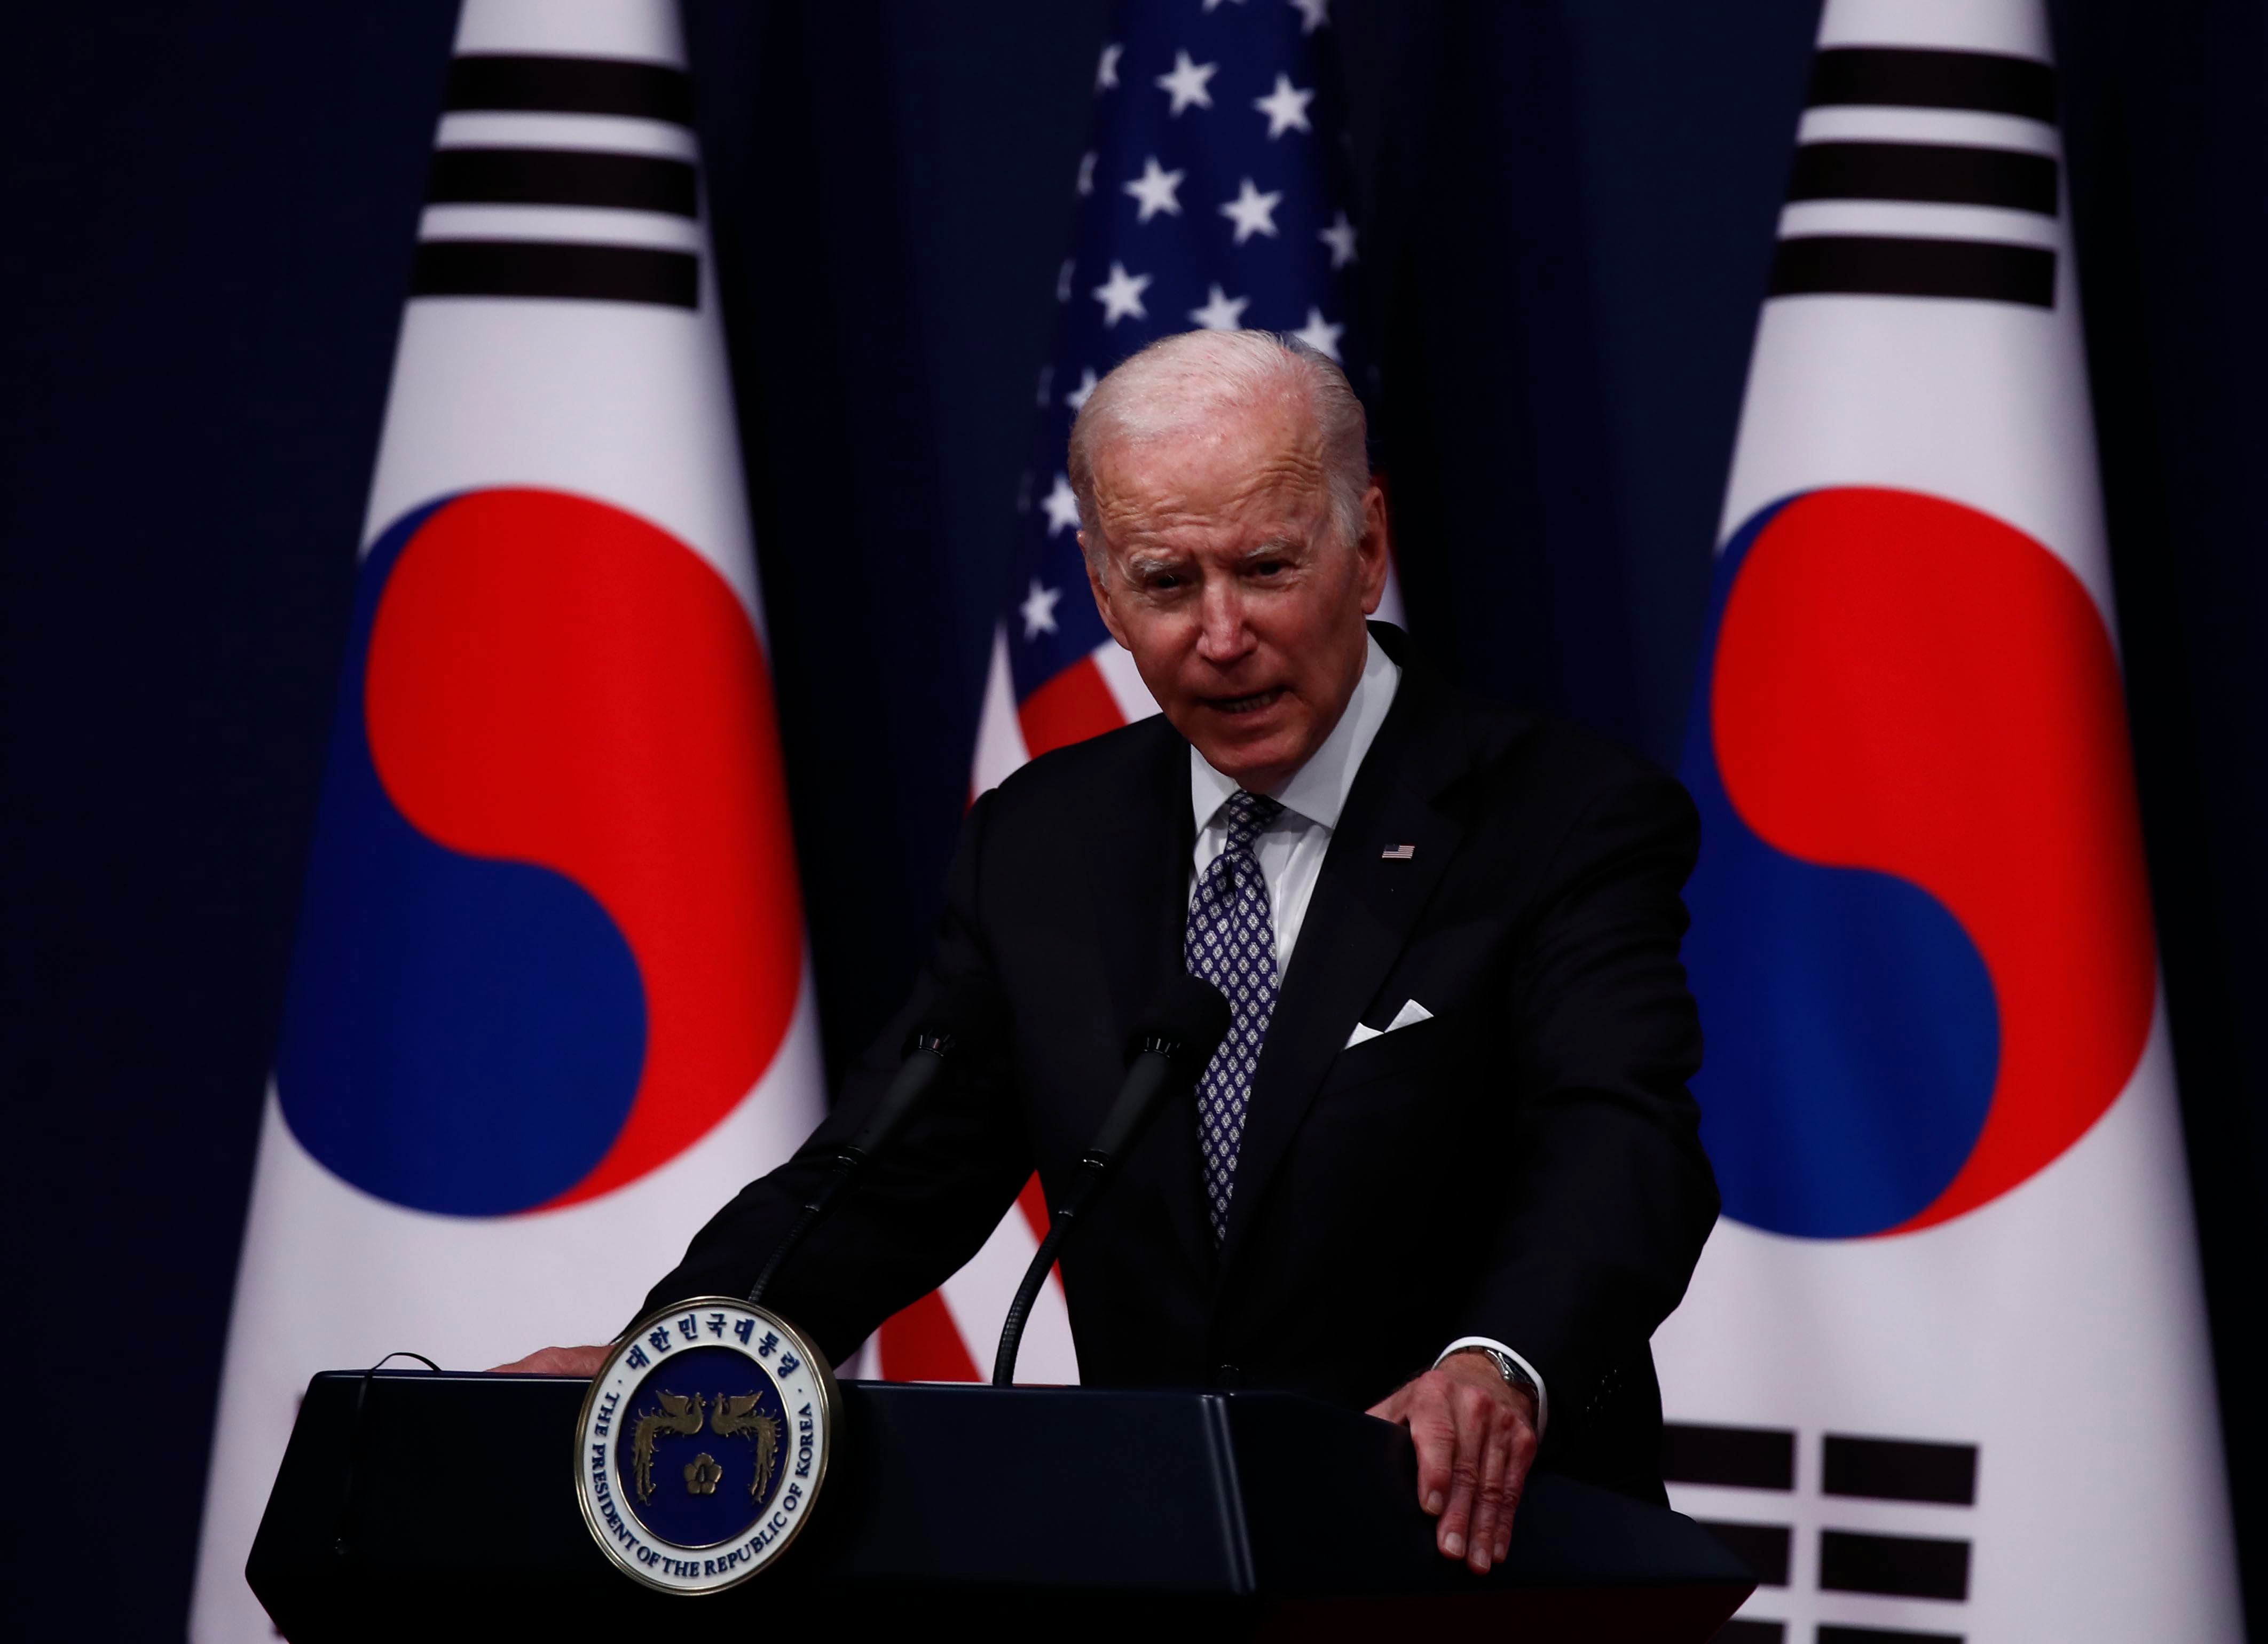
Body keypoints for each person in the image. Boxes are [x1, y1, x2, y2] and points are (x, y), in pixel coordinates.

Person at [498, 329, 1718, 1574]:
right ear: (1099, 591)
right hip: (1168, 1560)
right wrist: (680, 1347)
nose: (1222, 633)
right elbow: (886, 1172)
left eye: (1264, 565)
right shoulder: (1043, 841)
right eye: (1166, 581)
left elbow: (1619, 1140)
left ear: (1366, 550)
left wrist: (1496, 1361)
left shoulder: (1558, 816)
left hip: (1471, 1562)